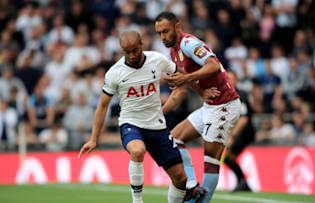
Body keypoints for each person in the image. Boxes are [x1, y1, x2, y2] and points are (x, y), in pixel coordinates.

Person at [79, 30, 206, 203]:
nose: (131, 55)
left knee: (181, 179)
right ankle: (137, 201)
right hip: (131, 123)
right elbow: (102, 106)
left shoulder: (157, 59)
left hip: (157, 126)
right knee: (138, 150)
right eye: (127, 52)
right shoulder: (114, 73)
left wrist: (202, 92)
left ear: (141, 44)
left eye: (134, 50)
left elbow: (182, 75)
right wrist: (94, 138)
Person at [155, 12, 243, 203]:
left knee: (210, 158)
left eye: (165, 31)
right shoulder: (173, 52)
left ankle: (200, 201)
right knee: (174, 137)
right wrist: (159, 114)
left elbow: (213, 65)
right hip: (209, 106)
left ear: (177, 27)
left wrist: (186, 78)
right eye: (159, 33)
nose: (162, 37)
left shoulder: (189, 44)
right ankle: (191, 186)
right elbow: (181, 90)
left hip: (225, 105)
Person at [223, 71, 254, 192]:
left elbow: (244, 119)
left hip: (245, 131)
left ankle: (243, 182)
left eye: (232, 78)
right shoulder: (225, 95)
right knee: (229, 158)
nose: (229, 80)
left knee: (229, 157)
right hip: (235, 132)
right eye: (227, 78)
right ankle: (243, 183)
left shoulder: (241, 95)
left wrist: (232, 136)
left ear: (236, 80)